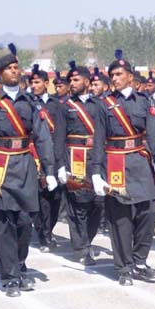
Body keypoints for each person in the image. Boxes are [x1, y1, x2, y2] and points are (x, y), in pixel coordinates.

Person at [0, 44, 57, 297]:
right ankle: (10, 276)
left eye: (16, 67)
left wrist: (50, 169)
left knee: (25, 220)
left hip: (24, 164)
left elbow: (42, 136)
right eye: (10, 68)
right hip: (0, 165)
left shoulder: (30, 102)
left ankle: (20, 264)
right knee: (3, 222)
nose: (15, 71)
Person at [103, 50, 155, 285]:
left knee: (148, 212)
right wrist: (97, 174)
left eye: (119, 74)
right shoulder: (105, 105)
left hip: (140, 163)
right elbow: (99, 140)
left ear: (131, 77)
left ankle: (140, 260)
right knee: (120, 219)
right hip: (115, 164)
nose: (115, 78)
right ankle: (124, 267)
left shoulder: (145, 102)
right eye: (112, 74)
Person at [55, 61, 107, 265]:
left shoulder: (100, 104)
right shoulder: (65, 107)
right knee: (77, 204)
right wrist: (59, 165)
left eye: (76, 80)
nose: (72, 83)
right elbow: (59, 137)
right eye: (71, 80)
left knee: (97, 202)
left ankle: (88, 239)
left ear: (87, 81)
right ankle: (81, 247)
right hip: (74, 157)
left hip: (96, 156)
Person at [28, 65, 66, 253]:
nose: (34, 86)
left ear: (46, 83)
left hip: (53, 152)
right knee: (39, 196)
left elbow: (60, 132)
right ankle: (43, 234)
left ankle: (48, 228)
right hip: (33, 154)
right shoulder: (27, 102)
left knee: (55, 196)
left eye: (37, 82)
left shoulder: (55, 104)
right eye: (31, 82)